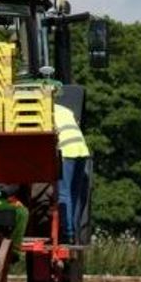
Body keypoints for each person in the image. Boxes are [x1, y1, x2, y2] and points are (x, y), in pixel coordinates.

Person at [54, 102, 90, 243]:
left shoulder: (46, 111)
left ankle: (67, 233)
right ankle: (74, 233)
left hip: (67, 151)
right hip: (82, 149)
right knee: (75, 194)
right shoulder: (65, 109)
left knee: (64, 193)